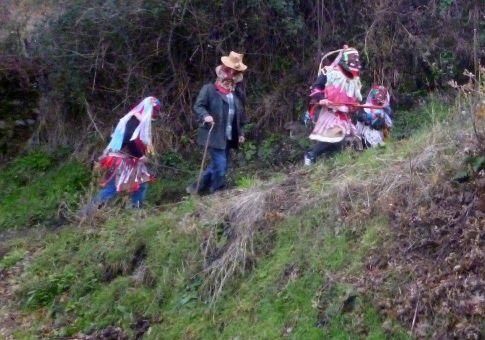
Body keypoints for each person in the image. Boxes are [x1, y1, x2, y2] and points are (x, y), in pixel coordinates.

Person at [81, 96, 161, 216]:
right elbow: (129, 139)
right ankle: (87, 212)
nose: (154, 115)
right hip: (122, 159)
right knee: (113, 187)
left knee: (141, 183)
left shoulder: (136, 118)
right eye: (154, 112)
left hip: (128, 158)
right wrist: (140, 156)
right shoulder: (135, 119)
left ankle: (136, 210)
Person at [186, 51, 247, 194]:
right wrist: (205, 116)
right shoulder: (209, 89)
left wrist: (241, 133)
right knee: (221, 165)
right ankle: (217, 191)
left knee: (217, 165)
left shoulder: (237, 93)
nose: (231, 73)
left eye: (235, 70)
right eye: (228, 69)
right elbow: (198, 106)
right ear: (223, 69)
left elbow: (241, 116)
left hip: (228, 136)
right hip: (214, 134)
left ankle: (196, 188)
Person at [304, 45, 363, 165]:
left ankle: (335, 161)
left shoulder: (354, 80)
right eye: (352, 60)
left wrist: (354, 106)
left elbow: (354, 98)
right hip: (330, 112)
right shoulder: (330, 73)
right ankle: (310, 155)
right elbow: (315, 88)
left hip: (344, 114)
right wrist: (322, 99)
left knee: (345, 139)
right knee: (335, 134)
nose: (355, 62)